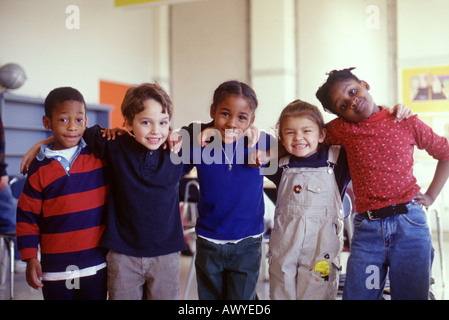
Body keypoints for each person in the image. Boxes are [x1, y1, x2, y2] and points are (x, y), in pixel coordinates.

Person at [21, 83, 187, 300]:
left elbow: (211, 134)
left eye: (163, 123)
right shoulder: (114, 145)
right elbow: (75, 134)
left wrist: (176, 133)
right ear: (127, 123)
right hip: (119, 255)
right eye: (146, 122)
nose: (156, 130)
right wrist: (44, 143)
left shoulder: (176, 150)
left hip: (160, 254)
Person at [315, 67, 449, 300]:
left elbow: (445, 153)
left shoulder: (405, 120)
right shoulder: (344, 129)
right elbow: (305, 132)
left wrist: (430, 196)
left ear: (365, 84)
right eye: (343, 105)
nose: (352, 101)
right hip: (368, 233)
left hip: (410, 228)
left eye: (353, 91)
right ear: (339, 115)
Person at [180, 80, 274, 300]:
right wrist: (201, 130)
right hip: (208, 239)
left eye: (242, 117)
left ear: (252, 120)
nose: (232, 122)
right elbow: (173, 142)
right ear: (213, 111)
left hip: (248, 241)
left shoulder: (261, 141)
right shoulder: (199, 140)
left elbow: (293, 146)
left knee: (242, 299)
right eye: (225, 113)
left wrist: (267, 154)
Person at [16, 87, 109, 300]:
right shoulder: (38, 168)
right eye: (63, 120)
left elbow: (128, 136)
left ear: (86, 122)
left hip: (94, 264)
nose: (72, 128)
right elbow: (27, 216)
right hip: (56, 267)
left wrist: (41, 142)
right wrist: (30, 258)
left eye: (79, 120)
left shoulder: (99, 154)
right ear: (47, 123)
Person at [261, 100, 351, 300]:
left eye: (306, 131)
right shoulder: (279, 165)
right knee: (281, 292)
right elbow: (247, 147)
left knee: (317, 294)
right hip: (285, 247)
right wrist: (271, 152)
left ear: (321, 135)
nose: (298, 137)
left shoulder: (338, 160)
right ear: (281, 138)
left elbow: (357, 129)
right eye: (290, 132)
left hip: (322, 249)